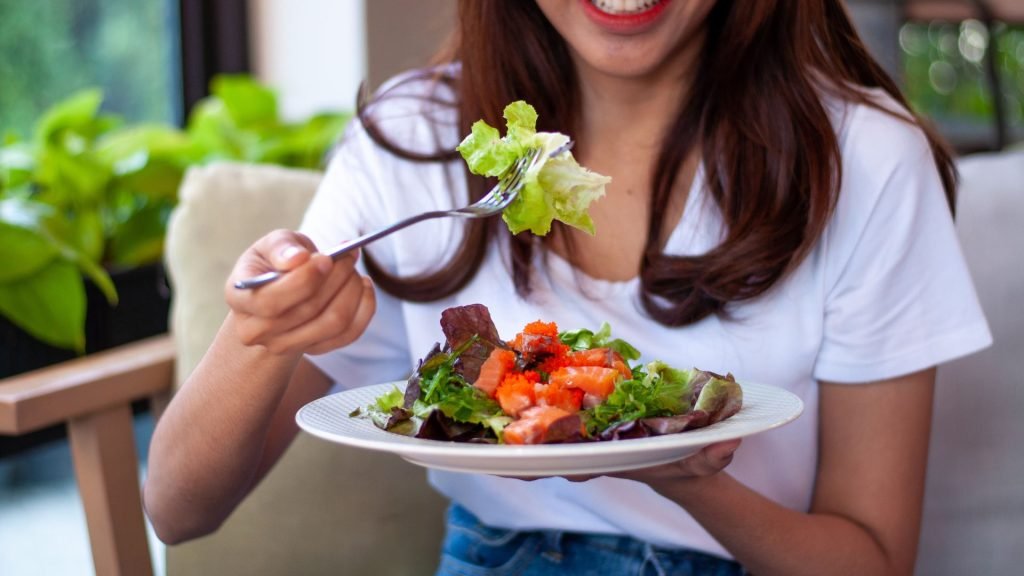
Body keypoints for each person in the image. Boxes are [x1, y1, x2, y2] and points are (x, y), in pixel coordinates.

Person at [143, 1, 993, 574]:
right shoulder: (411, 142)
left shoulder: (865, 159)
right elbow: (177, 509)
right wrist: (261, 329)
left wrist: (687, 477)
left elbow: (871, 558)